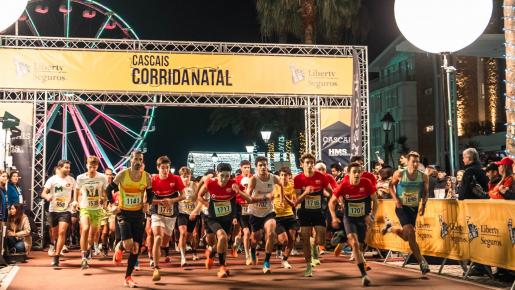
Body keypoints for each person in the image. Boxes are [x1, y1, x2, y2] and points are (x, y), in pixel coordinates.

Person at [190, 163, 254, 278]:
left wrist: (238, 191)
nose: (224, 179)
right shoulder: (210, 183)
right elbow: (198, 196)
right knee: (218, 239)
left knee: (222, 241)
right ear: (217, 174)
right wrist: (206, 203)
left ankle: (216, 259)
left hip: (226, 219)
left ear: (230, 176)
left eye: (227, 176)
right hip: (213, 218)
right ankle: (218, 261)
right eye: (222, 176)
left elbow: (249, 200)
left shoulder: (233, 184)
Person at [108, 150, 153, 288]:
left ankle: (128, 277)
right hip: (124, 214)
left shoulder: (147, 177)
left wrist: (147, 204)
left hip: (138, 214)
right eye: (136, 159)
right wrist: (113, 204)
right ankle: (120, 246)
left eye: (140, 159)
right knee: (128, 244)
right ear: (131, 160)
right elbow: (107, 189)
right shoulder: (123, 174)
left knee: (135, 248)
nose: (138, 162)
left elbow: (150, 193)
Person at [330, 162, 378, 286]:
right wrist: (334, 217)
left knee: (361, 246)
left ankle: (344, 237)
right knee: (355, 244)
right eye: (354, 172)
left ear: (362, 173)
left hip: (362, 219)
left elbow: (375, 200)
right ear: (348, 173)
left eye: (359, 172)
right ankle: (364, 275)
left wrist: (372, 215)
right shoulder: (343, 185)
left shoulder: (367, 183)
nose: (357, 174)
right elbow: (331, 203)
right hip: (349, 218)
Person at [383, 151, 430, 275]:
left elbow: (426, 192)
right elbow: (390, 186)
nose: (415, 164)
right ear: (407, 162)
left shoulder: (423, 176)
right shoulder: (399, 173)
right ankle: (422, 262)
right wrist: (396, 199)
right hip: (401, 207)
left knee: (406, 236)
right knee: (411, 233)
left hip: (413, 208)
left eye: (417, 162)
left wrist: (423, 205)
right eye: (413, 161)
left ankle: (391, 229)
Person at [294, 153, 333, 277]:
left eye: (312, 162)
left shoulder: (321, 177)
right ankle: (308, 265)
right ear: (302, 164)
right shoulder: (298, 179)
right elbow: (297, 200)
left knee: (321, 240)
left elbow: (331, 192)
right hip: (304, 212)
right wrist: (305, 192)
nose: (310, 165)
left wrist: (331, 203)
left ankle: (314, 245)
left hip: (318, 212)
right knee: (305, 239)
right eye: (307, 163)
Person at [149, 156, 185, 281]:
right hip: (157, 212)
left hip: (171, 214)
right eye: (163, 168)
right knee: (157, 237)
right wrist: (159, 202)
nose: (165, 170)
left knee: (164, 243)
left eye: (167, 168)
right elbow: (147, 200)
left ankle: (158, 253)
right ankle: (156, 267)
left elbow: (183, 196)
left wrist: (171, 200)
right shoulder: (152, 180)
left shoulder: (176, 179)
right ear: (158, 168)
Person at [247, 156, 283, 274]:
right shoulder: (254, 179)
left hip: (269, 211)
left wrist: (281, 200)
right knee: (256, 238)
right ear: (256, 167)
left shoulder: (274, 178)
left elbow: (281, 186)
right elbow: (248, 198)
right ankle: (253, 250)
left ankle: (266, 262)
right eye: (260, 165)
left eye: (265, 165)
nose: (263, 167)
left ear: (268, 165)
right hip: (255, 212)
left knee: (271, 233)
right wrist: (264, 197)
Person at [40, 160, 76, 267]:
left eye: (69, 168)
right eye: (66, 167)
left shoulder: (72, 180)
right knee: (54, 233)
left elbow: (76, 193)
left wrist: (74, 201)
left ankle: (56, 257)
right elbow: (43, 193)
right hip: (53, 210)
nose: (68, 170)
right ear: (59, 168)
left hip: (66, 210)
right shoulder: (52, 180)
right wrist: (47, 197)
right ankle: (54, 245)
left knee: (62, 232)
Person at [75, 156, 108, 270]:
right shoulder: (80, 178)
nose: (92, 169)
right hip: (85, 207)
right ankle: (84, 257)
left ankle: (88, 247)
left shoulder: (103, 177)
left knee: (92, 235)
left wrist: (103, 199)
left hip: (97, 209)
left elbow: (105, 193)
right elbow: (78, 191)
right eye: (90, 166)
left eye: (94, 167)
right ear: (86, 166)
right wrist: (76, 202)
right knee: (84, 229)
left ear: (97, 166)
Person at [274, 166, 298, 269]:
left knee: (291, 239)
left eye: (286, 175)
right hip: (277, 216)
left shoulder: (292, 187)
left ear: (289, 177)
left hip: (289, 215)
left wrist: (284, 197)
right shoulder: (274, 186)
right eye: (282, 175)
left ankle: (284, 260)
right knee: (284, 240)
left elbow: (294, 204)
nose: (283, 177)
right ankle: (279, 248)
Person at [177, 166, 199, 266]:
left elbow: (200, 201)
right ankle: (183, 257)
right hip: (181, 213)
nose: (186, 178)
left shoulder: (194, 185)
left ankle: (189, 246)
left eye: (188, 176)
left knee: (190, 236)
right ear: (180, 177)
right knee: (183, 233)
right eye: (184, 176)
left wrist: (195, 211)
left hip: (193, 213)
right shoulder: (177, 186)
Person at [234, 160, 253, 265]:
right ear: (241, 168)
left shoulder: (253, 178)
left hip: (253, 209)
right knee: (245, 232)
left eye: (248, 167)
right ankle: (247, 255)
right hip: (241, 209)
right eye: (245, 167)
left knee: (253, 234)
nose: (247, 169)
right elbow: (233, 196)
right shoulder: (236, 180)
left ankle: (239, 243)